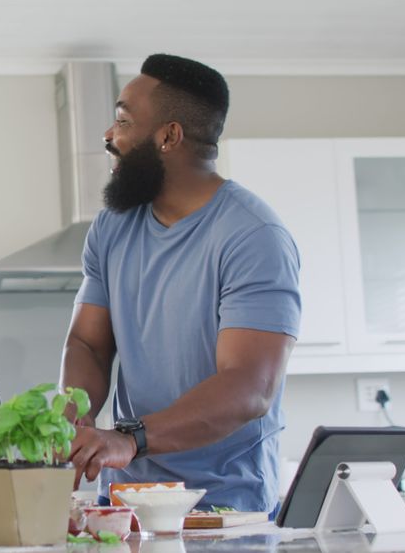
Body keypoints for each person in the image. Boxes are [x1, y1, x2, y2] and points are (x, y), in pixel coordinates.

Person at [61, 54, 301, 513]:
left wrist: (129, 438)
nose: (109, 136)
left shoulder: (253, 236)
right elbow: (88, 344)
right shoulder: (114, 226)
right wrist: (73, 418)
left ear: (168, 136)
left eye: (123, 120)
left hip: (224, 507)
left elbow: (250, 385)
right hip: (125, 501)